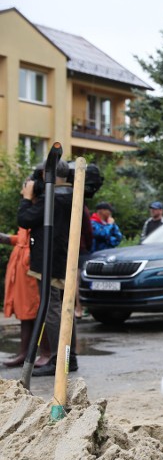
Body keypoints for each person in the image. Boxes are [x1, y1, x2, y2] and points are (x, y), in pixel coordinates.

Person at [18, 160, 80, 376]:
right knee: (65, 307)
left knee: (52, 307)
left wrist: (26, 199)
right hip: (64, 257)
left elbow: (25, 219)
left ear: (46, 173)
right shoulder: (73, 194)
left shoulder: (52, 197)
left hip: (49, 259)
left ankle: (56, 358)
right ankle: (68, 358)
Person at [0, 227, 51, 367]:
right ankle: (24, 353)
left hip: (32, 267)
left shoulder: (39, 210)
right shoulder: (28, 210)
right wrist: (9, 239)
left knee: (38, 310)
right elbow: (22, 238)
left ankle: (46, 353)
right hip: (22, 267)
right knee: (25, 312)